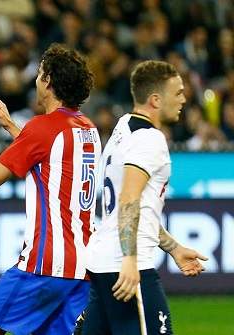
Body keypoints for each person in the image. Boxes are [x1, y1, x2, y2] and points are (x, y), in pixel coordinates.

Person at [0, 43, 100, 335]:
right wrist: (12, 127)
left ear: (49, 82)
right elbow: (50, 159)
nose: (37, 80)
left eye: (40, 74)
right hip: (82, 267)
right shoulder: (87, 128)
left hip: (45, 263)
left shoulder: (43, 127)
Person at [83, 60, 207, 335]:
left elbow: (138, 205)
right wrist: (130, 259)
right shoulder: (150, 139)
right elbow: (129, 198)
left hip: (103, 261)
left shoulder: (123, 128)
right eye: (178, 93)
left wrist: (173, 248)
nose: (184, 99)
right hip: (126, 267)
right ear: (155, 99)